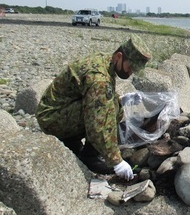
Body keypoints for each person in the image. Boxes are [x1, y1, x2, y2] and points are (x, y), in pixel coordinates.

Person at [36, 35, 151, 180]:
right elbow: (98, 123)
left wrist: (120, 100)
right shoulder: (99, 78)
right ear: (118, 56)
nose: (130, 73)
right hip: (51, 119)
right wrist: (116, 160)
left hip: (61, 110)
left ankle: (77, 145)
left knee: (114, 106)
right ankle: (90, 157)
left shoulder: (104, 61)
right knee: (108, 110)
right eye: (130, 67)